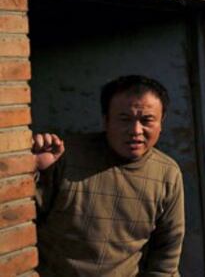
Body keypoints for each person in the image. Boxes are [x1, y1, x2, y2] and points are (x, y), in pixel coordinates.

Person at [32, 75, 185, 276]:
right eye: (125, 120)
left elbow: (166, 254)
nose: (136, 131)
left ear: (161, 123)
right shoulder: (65, 157)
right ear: (106, 120)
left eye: (146, 120)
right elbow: (18, 220)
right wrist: (32, 171)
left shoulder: (167, 173)